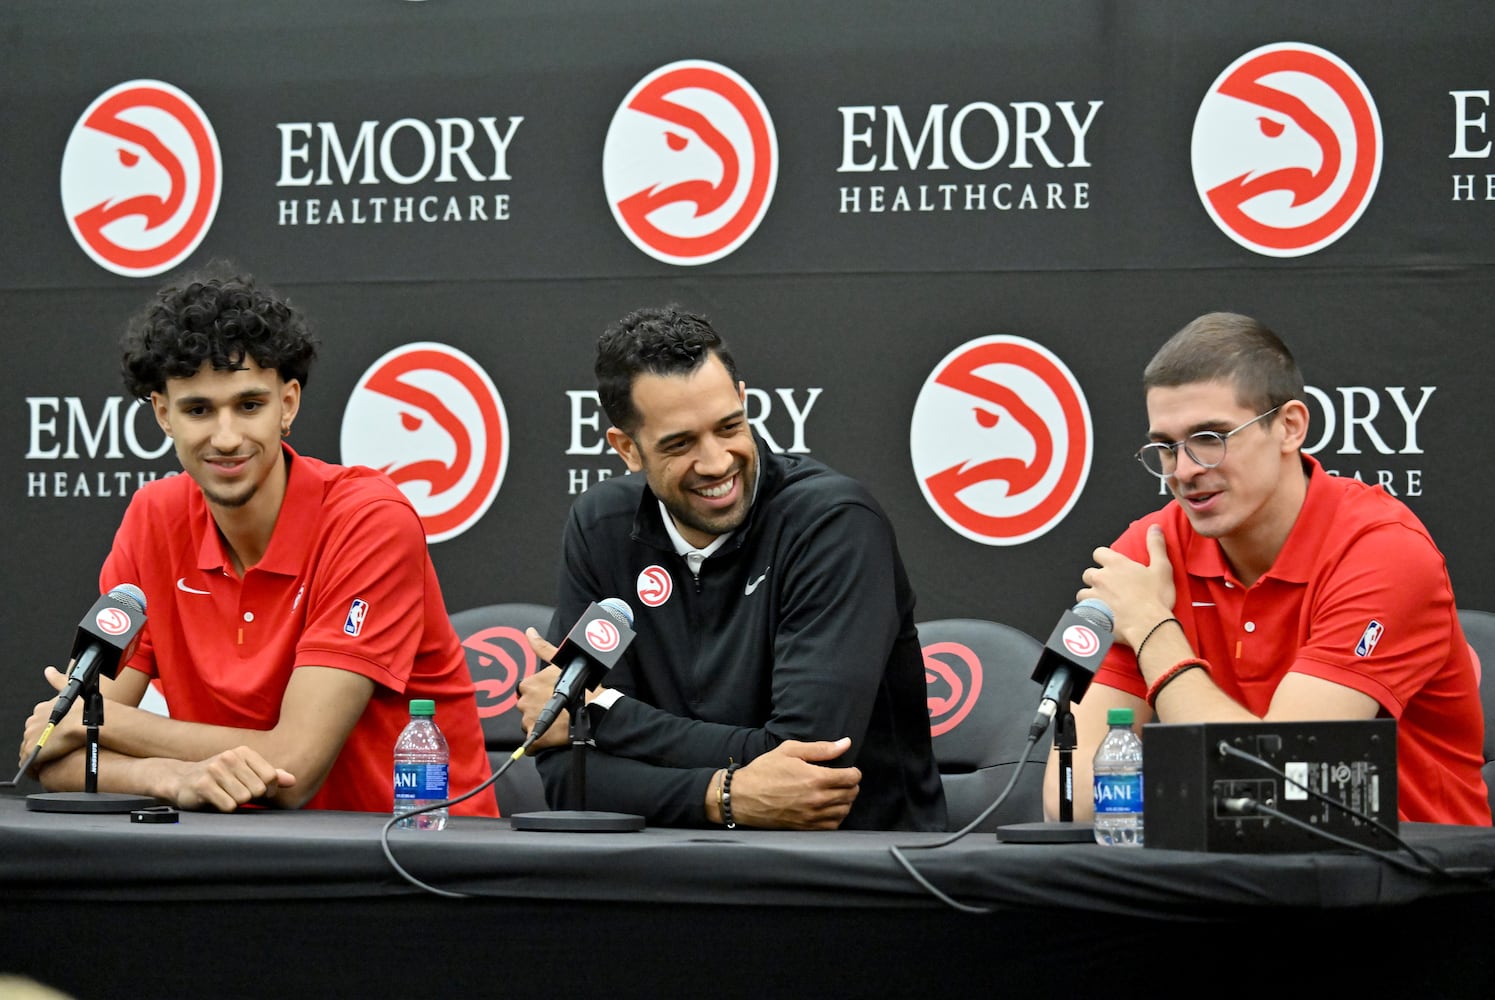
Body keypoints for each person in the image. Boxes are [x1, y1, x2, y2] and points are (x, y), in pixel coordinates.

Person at [18, 268, 497, 817]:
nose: (225, 437)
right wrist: (170, 778)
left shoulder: (368, 519)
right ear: (162, 414)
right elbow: (52, 753)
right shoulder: (154, 519)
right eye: (198, 409)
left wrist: (112, 723)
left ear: (287, 405)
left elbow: (292, 770)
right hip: (243, 859)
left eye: (249, 405)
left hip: (413, 865)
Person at [1044, 311, 1490, 825]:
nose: (1185, 470)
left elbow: (1286, 789)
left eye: (1210, 437)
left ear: (1289, 427)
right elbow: (1072, 801)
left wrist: (1152, 630)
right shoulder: (1152, 548)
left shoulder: (1383, 551)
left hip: (1405, 882)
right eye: (1165, 448)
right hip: (1228, 883)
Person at [516, 304, 946, 830]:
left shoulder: (833, 524)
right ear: (628, 449)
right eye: (680, 443)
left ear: (744, 401)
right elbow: (571, 778)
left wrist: (600, 714)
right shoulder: (600, 526)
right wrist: (723, 796)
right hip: (661, 880)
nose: (717, 462)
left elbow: (808, 763)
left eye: (729, 426)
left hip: (852, 880)